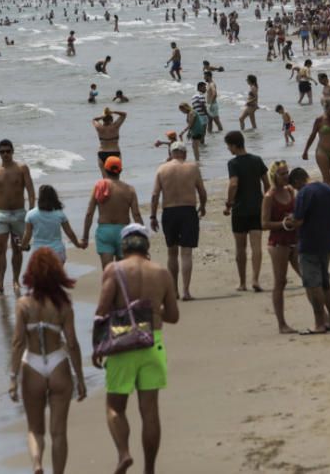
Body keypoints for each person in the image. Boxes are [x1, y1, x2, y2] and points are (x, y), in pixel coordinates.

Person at [92, 224, 179, 474]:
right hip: (153, 342)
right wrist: (151, 311)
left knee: (115, 407)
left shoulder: (114, 270)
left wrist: (98, 347)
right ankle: (149, 469)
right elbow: (173, 315)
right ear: (147, 246)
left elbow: (101, 311)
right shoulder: (161, 273)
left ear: (123, 246)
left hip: (122, 343)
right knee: (149, 410)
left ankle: (123, 453)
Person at [9, 248, 86, 474]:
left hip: (32, 364)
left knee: (35, 430)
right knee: (59, 432)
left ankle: (37, 464)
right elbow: (72, 343)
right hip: (58, 364)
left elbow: (17, 342)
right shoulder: (63, 304)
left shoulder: (23, 304)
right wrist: (80, 378)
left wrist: (13, 378)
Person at [284, 168, 330, 334]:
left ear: (297, 182)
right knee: (325, 283)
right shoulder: (328, 189)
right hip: (329, 240)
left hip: (310, 242)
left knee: (313, 285)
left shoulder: (304, 193)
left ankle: (319, 323)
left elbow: (298, 220)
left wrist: (288, 220)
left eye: (295, 187)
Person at [150, 142, 207, 300]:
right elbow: (202, 191)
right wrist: (202, 206)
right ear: (185, 153)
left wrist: (153, 216)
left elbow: (155, 195)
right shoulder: (193, 167)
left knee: (172, 253)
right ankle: (186, 291)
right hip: (188, 211)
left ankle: (174, 290)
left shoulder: (162, 169)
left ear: (171, 152)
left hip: (169, 211)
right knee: (186, 253)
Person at [0, 139, 36, 294]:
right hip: (0, 214)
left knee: (17, 249)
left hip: (19, 214)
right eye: (2, 151)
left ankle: (15, 280)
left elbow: (30, 190)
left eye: (8, 151)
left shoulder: (22, 168)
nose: (5, 154)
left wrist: (31, 211)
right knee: (0, 248)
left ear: (12, 151)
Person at [224, 131, 269, 292]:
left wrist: (229, 203)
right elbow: (266, 182)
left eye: (228, 146)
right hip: (257, 207)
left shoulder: (233, 163)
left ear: (234, 145)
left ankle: (242, 282)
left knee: (240, 247)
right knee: (256, 246)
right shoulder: (257, 160)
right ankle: (255, 279)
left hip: (240, 209)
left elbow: (233, 184)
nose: (228, 149)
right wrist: (266, 200)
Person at [80, 156, 142, 269]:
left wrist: (85, 237)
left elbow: (89, 213)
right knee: (123, 273)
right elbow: (136, 215)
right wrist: (143, 235)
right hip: (123, 232)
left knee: (108, 272)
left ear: (105, 169)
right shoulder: (129, 189)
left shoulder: (99, 187)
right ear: (120, 170)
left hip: (105, 231)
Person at [261, 160, 301, 334]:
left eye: (287, 173)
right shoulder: (269, 196)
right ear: (274, 176)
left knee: (308, 277)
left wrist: (296, 220)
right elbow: (264, 223)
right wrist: (284, 224)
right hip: (278, 243)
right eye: (282, 174)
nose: (286, 176)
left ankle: (324, 315)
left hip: (295, 239)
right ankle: (282, 324)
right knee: (280, 282)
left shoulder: (291, 191)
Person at [21, 185, 84, 264]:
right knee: (56, 276)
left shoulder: (31, 214)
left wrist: (23, 246)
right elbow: (69, 233)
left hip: (39, 253)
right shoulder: (59, 214)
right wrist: (77, 244)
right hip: (57, 252)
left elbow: (27, 235)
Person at [301, 97, 330, 190]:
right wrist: (305, 151)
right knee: (327, 180)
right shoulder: (319, 120)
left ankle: (328, 194)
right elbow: (312, 136)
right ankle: (327, 197)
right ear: (325, 108)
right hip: (322, 152)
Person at [93, 108, 127, 177]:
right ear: (111, 120)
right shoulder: (115, 126)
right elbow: (124, 114)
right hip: (114, 152)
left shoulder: (99, 128)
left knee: (105, 179)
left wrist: (102, 116)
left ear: (103, 120)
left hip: (102, 153)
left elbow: (94, 120)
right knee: (115, 178)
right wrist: (113, 111)